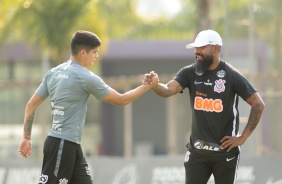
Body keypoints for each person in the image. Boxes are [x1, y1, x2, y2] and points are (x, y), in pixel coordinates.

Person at [18, 30, 158, 184]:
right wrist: (147, 86)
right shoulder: (85, 77)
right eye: (95, 52)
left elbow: (31, 105)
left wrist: (26, 137)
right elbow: (121, 100)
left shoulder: (53, 73)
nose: (96, 56)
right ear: (83, 52)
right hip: (62, 145)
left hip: (69, 145)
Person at [145, 29, 265, 184]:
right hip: (197, 153)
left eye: (202, 47)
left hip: (225, 153)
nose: (197, 51)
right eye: (196, 48)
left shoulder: (231, 75)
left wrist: (242, 137)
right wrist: (154, 85)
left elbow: (258, 104)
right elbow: (168, 90)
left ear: (216, 48)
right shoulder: (189, 72)